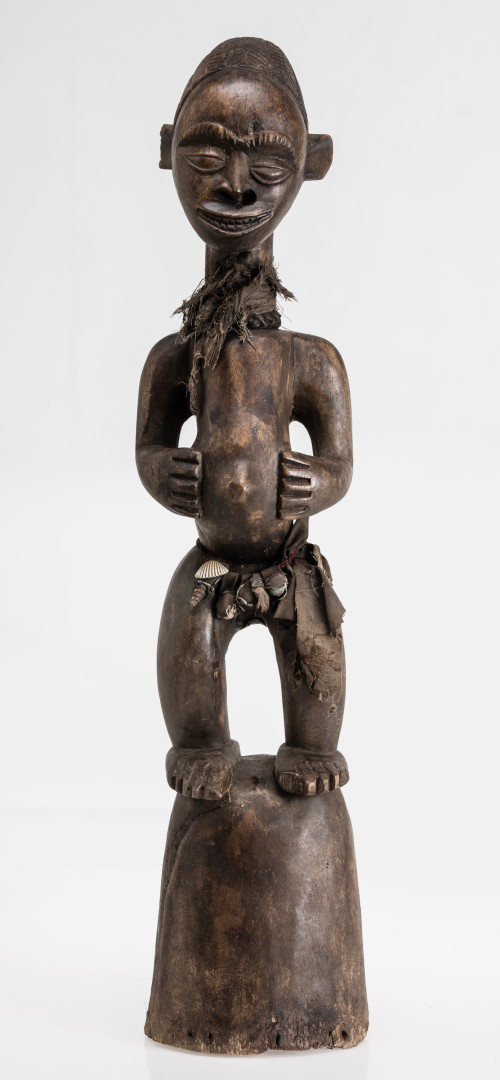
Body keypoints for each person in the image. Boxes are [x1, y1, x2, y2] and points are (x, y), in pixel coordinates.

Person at [136, 38, 353, 800]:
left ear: (310, 162)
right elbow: (150, 444)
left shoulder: (309, 361)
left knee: (318, 656)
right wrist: (160, 470)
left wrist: (320, 480)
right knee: (188, 644)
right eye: (207, 155)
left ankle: (311, 745)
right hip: (210, 564)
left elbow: (340, 461)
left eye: (266, 163)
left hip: (290, 563)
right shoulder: (176, 358)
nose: (234, 184)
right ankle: (201, 742)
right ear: (169, 151)